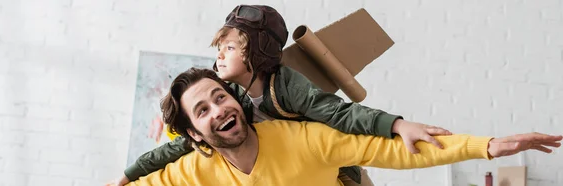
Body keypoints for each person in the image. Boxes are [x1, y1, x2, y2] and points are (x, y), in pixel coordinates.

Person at [124, 67, 561, 186]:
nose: (217, 108)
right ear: (196, 134)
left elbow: (391, 150)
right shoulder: (191, 173)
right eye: (201, 110)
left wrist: (487, 146)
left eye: (219, 96)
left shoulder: (304, 140)